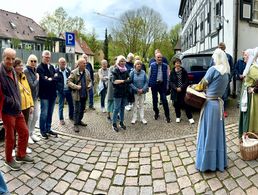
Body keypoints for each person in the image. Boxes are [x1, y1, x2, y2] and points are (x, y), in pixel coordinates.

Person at [195, 48, 230, 172]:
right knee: (216, 134)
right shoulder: (226, 73)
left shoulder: (212, 70)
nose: (213, 59)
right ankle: (218, 161)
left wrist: (192, 87)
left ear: (217, 58)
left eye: (214, 57)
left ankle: (206, 163)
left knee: (208, 133)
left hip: (210, 105)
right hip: (218, 105)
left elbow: (201, 85)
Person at [0, 48, 34, 171]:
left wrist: (18, 103)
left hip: (17, 109)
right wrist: (13, 102)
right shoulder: (1, 72)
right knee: (10, 137)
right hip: (7, 111)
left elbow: (16, 89)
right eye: (8, 58)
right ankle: (8, 160)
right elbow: (1, 96)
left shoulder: (13, 71)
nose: (10, 61)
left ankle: (21, 155)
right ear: (3, 58)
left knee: (24, 132)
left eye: (13, 59)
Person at [13, 58, 34, 154]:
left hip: (26, 107)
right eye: (18, 65)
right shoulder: (12, 77)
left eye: (22, 65)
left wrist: (31, 105)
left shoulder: (24, 76)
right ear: (14, 67)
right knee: (13, 130)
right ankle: (12, 148)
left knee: (24, 130)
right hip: (16, 108)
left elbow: (28, 91)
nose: (21, 67)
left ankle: (23, 147)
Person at [37, 50, 58, 139]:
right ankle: (42, 130)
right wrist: (51, 78)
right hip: (44, 95)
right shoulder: (40, 68)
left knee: (50, 113)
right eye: (46, 57)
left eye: (49, 57)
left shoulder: (52, 67)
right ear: (42, 57)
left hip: (52, 94)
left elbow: (57, 78)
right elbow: (43, 81)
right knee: (44, 113)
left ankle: (48, 128)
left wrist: (50, 79)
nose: (47, 58)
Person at [68, 58, 91, 132]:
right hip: (77, 95)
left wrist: (89, 85)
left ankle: (79, 121)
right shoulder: (74, 72)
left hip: (84, 94)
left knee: (82, 109)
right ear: (79, 64)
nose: (85, 64)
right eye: (84, 63)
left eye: (85, 63)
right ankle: (75, 124)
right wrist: (76, 86)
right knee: (76, 110)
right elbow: (68, 82)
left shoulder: (87, 72)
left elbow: (90, 81)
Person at [239, 48, 258, 139]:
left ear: (250, 56)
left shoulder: (253, 67)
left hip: (251, 98)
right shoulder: (249, 66)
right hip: (247, 96)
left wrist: (254, 89)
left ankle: (250, 136)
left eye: (245, 55)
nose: (244, 57)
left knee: (250, 117)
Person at [170, 58, 194, 124]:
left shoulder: (184, 71)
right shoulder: (172, 72)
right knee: (176, 104)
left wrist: (181, 87)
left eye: (179, 63)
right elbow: (171, 82)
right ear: (174, 64)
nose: (177, 64)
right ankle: (178, 117)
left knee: (186, 104)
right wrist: (176, 88)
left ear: (180, 63)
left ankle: (190, 118)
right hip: (175, 91)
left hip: (183, 90)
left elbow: (187, 81)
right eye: (176, 63)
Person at [148, 52, 171, 123]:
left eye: (161, 57)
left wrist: (167, 86)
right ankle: (156, 113)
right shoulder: (152, 65)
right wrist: (149, 85)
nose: (159, 59)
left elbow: (167, 77)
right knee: (155, 100)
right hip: (154, 85)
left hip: (162, 85)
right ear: (155, 58)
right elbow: (149, 76)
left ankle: (167, 116)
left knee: (164, 100)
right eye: (158, 57)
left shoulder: (165, 66)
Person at [112, 55, 132, 132]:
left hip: (124, 92)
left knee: (122, 108)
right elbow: (114, 82)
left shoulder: (126, 70)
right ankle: (114, 124)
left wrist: (121, 81)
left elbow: (130, 80)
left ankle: (121, 122)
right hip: (117, 93)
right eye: (121, 61)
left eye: (124, 61)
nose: (123, 62)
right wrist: (124, 81)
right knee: (116, 108)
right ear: (118, 62)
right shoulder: (115, 70)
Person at [24, 54, 41, 143]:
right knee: (30, 117)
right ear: (28, 61)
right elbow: (32, 85)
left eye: (35, 61)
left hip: (35, 97)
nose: (33, 63)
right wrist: (38, 78)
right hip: (29, 98)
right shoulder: (26, 71)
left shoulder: (35, 70)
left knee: (36, 116)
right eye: (32, 61)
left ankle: (31, 133)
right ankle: (27, 136)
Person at [56, 57, 74, 125]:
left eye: (64, 62)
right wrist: (58, 89)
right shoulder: (56, 71)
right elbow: (55, 82)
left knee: (71, 104)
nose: (63, 64)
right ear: (59, 63)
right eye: (62, 63)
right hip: (61, 91)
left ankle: (71, 116)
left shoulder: (68, 71)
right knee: (61, 105)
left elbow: (71, 79)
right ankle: (61, 119)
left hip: (68, 90)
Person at [130, 59, 148, 124]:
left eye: (140, 64)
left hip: (142, 92)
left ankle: (142, 118)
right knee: (134, 105)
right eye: (137, 64)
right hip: (135, 92)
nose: (139, 65)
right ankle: (134, 118)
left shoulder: (143, 72)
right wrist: (136, 89)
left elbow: (146, 82)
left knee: (141, 105)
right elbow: (130, 82)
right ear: (135, 65)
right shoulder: (132, 72)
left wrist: (142, 89)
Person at [218, 42, 233, 117]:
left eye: (222, 47)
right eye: (220, 47)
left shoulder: (229, 57)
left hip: (226, 78)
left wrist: (230, 77)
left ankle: (224, 110)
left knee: (225, 95)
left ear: (225, 48)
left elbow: (232, 68)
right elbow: (211, 66)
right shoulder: (215, 56)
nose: (221, 48)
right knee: (217, 95)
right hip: (217, 79)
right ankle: (217, 110)